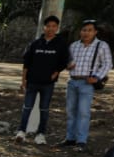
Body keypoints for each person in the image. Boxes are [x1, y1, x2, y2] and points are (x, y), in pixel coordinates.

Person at [14, 14, 71, 144]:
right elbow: (26, 63)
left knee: (44, 109)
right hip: (32, 81)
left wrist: (56, 72)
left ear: (57, 28)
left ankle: (41, 134)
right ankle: (21, 132)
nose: (50, 29)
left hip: (48, 84)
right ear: (43, 27)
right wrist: (23, 80)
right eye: (48, 26)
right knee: (27, 107)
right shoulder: (35, 44)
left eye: (53, 26)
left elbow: (64, 61)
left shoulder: (61, 44)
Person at [61, 18, 113, 151]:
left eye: (90, 30)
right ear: (80, 31)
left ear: (95, 32)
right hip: (72, 81)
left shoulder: (101, 45)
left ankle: (81, 141)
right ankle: (70, 138)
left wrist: (97, 77)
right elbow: (66, 62)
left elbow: (107, 64)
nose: (86, 33)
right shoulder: (74, 46)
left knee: (83, 112)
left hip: (87, 83)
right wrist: (67, 66)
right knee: (71, 111)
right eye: (84, 30)